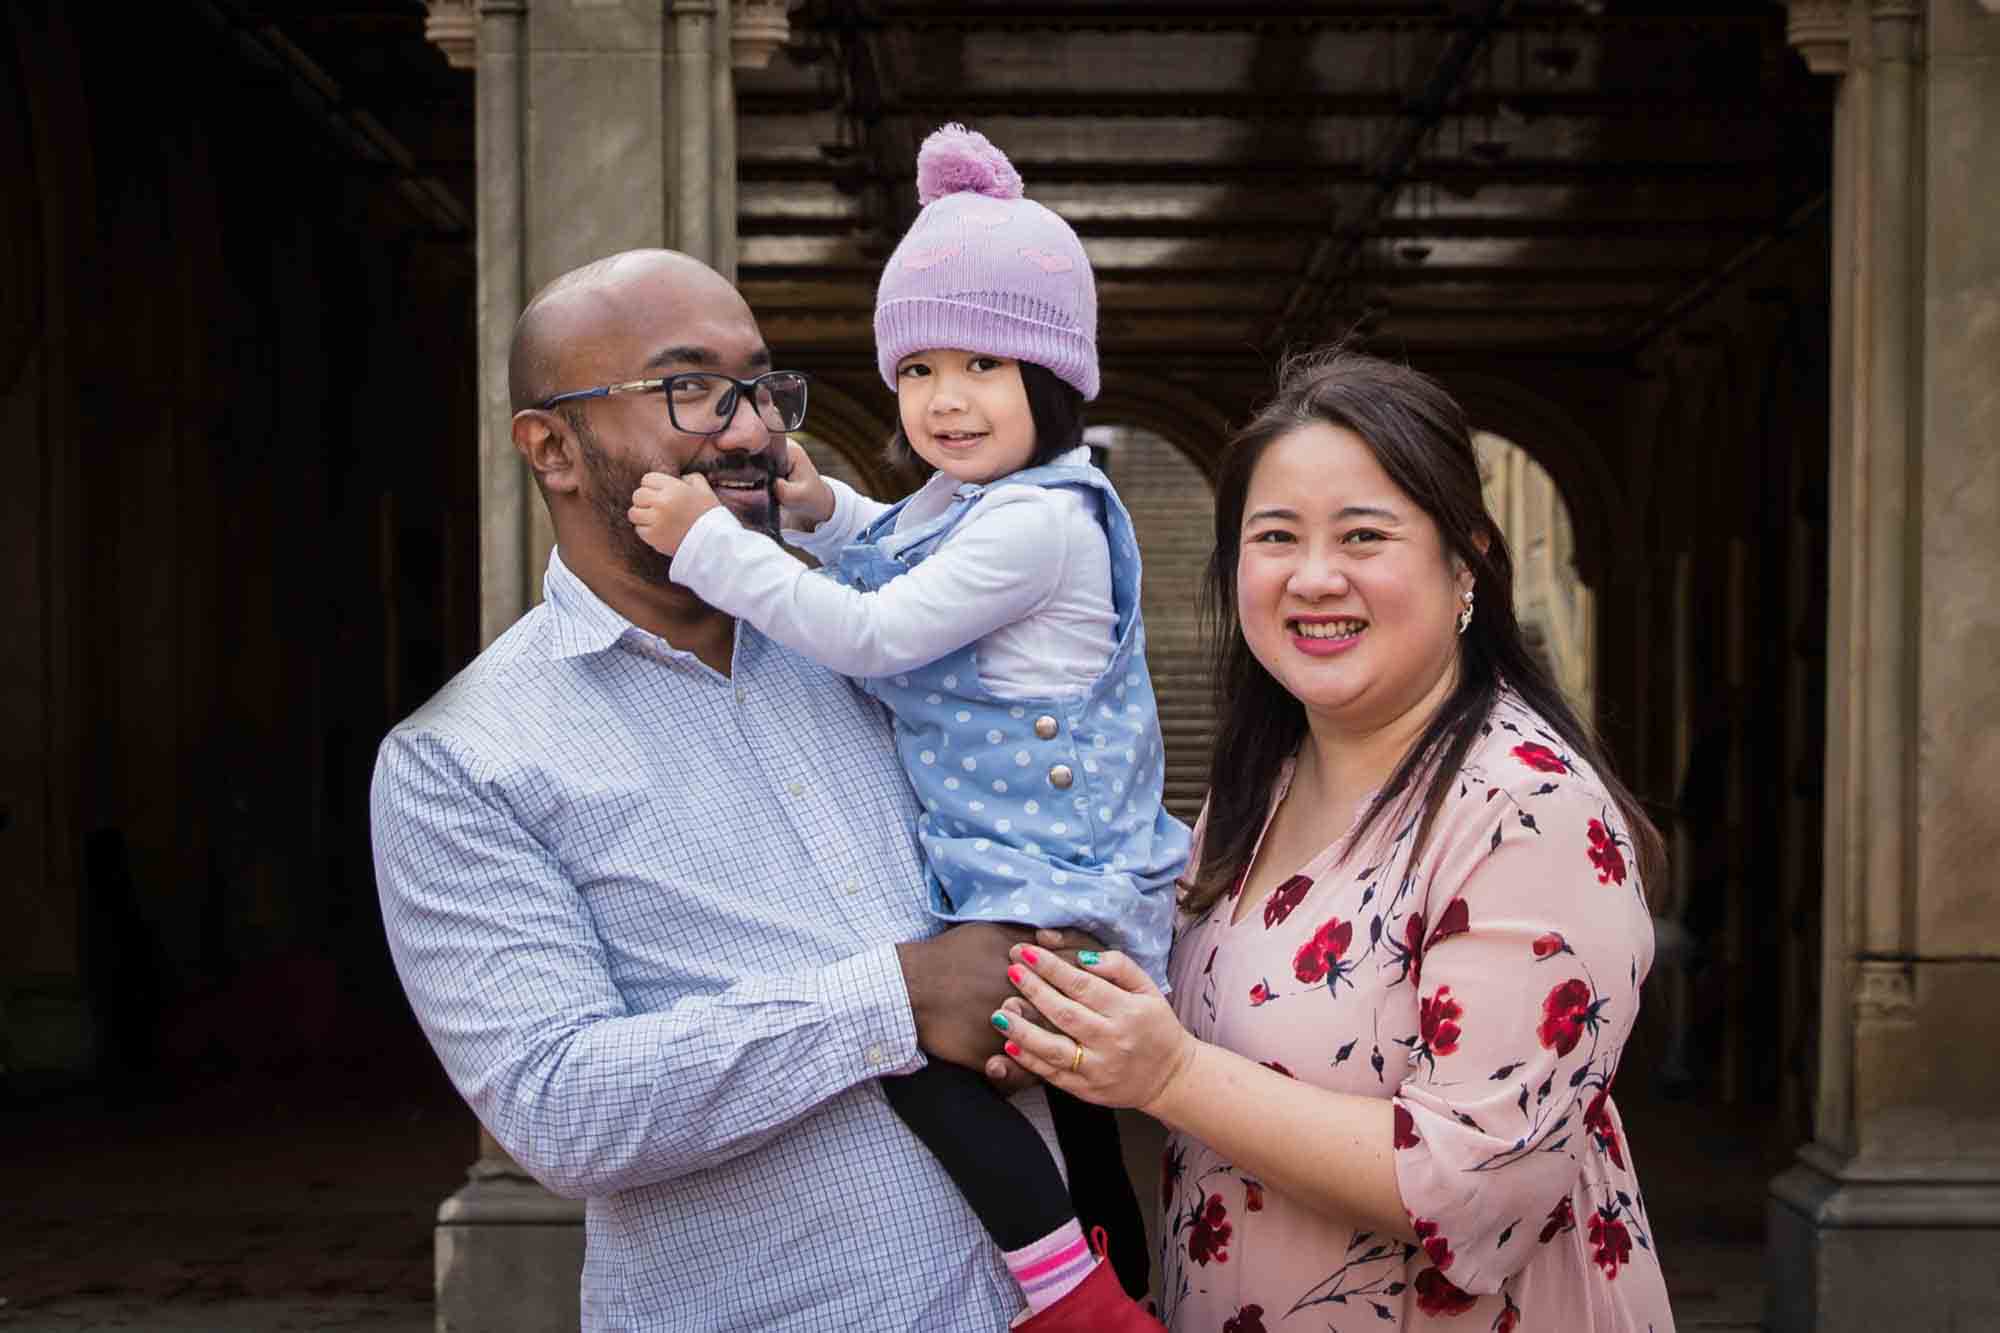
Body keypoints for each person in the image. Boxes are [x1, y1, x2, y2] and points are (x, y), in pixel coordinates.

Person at [369, 247, 1139, 1332]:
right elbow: (557, 1106)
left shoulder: (887, 640)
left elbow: (1043, 807)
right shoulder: (464, 758)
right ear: (549, 445)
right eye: (688, 388)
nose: (748, 429)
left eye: (761, 387)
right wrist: (896, 998)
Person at [987, 350, 1678, 1330]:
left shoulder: (1525, 809)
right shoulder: (1257, 781)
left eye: (1363, 535)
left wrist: (1169, 1074)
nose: (1312, 577)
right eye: (1275, 536)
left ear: (1465, 559)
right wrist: (1069, 1013)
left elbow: (1478, 1181)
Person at [628, 124, 1185, 1332]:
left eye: (982, 365)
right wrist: (819, 503)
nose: (946, 399)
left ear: (1050, 378)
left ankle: (1071, 1294)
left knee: (917, 1051)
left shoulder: (1038, 526)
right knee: (1061, 1094)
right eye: (919, 368)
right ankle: (1115, 1260)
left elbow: (876, 633)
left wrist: (711, 544)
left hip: (1046, 873)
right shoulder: (983, 502)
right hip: (1009, 857)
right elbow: (900, 539)